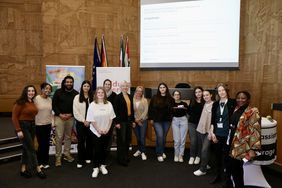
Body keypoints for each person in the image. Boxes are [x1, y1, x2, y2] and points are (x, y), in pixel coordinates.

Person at [226, 91, 261, 188]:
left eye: (243, 98)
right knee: (231, 167)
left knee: (237, 170)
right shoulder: (236, 109)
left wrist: (253, 150)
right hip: (231, 143)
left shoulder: (252, 111)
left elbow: (256, 131)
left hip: (242, 146)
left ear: (248, 100)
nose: (240, 100)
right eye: (238, 98)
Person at [12, 85, 46, 179]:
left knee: (26, 148)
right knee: (31, 149)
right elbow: (14, 117)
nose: (31, 92)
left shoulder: (32, 102)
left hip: (32, 125)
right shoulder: (20, 102)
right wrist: (18, 130)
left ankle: (23, 169)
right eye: (29, 91)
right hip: (23, 126)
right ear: (25, 92)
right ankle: (38, 169)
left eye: (33, 91)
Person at [209, 83, 236, 184]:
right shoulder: (215, 104)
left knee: (227, 157)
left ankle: (227, 178)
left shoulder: (232, 102)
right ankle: (218, 176)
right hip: (217, 134)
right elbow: (213, 120)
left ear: (226, 91)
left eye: (223, 90)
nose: (221, 92)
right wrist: (212, 133)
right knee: (217, 157)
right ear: (217, 93)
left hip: (228, 135)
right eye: (219, 91)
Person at [86, 87, 116, 178]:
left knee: (104, 149)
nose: (100, 94)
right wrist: (98, 130)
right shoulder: (92, 104)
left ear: (104, 94)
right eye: (98, 92)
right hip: (95, 131)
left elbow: (111, 118)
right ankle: (95, 167)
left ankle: (102, 165)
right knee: (97, 149)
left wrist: (107, 128)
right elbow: (91, 119)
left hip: (106, 130)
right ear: (96, 94)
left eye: (102, 92)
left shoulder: (109, 104)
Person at [52, 75, 79, 166]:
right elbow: (54, 105)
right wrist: (60, 114)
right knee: (59, 137)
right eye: (67, 82)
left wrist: (71, 114)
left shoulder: (76, 93)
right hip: (59, 118)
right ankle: (58, 157)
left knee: (68, 137)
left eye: (71, 82)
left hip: (70, 118)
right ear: (64, 82)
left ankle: (67, 154)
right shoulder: (58, 92)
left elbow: (77, 107)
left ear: (73, 83)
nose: (69, 83)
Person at [148, 82, 174, 162]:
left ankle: (161, 151)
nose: (162, 89)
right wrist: (151, 119)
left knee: (163, 137)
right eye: (160, 87)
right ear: (159, 89)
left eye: (164, 87)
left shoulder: (170, 98)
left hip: (167, 121)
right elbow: (150, 109)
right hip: (157, 120)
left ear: (166, 88)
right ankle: (159, 154)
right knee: (160, 136)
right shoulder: (154, 97)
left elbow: (172, 110)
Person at [114, 81, 135, 166]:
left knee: (127, 139)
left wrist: (133, 121)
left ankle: (126, 156)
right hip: (121, 122)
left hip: (129, 120)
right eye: (123, 86)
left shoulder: (130, 96)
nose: (125, 87)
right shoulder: (117, 97)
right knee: (121, 140)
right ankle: (120, 159)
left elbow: (132, 110)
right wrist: (117, 122)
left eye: (126, 86)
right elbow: (115, 111)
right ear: (120, 87)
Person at [73, 80, 93, 168]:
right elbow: (75, 111)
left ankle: (88, 157)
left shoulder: (92, 97)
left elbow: (94, 110)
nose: (86, 88)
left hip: (91, 123)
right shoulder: (77, 97)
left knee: (89, 141)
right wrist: (83, 120)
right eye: (84, 86)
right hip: (81, 123)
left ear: (90, 87)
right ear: (82, 87)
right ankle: (80, 160)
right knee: (81, 142)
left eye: (88, 86)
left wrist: (89, 121)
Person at [193, 90, 214, 176]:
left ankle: (203, 169)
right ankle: (207, 164)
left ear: (211, 95)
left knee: (204, 149)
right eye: (204, 95)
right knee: (205, 149)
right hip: (201, 130)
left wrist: (211, 131)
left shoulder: (214, 105)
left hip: (209, 131)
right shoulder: (204, 104)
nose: (205, 97)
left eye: (207, 95)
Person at [34, 82, 53, 170]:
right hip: (39, 125)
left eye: (49, 89)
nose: (48, 90)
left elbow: (50, 113)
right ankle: (39, 162)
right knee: (41, 144)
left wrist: (52, 123)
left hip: (48, 125)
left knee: (46, 144)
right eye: (46, 88)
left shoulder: (50, 99)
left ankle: (45, 162)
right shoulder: (36, 98)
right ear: (42, 89)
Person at [187, 86, 204, 165]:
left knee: (200, 141)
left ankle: (198, 156)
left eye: (199, 92)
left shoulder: (205, 101)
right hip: (192, 123)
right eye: (196, 92)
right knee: (193, 141)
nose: (198, 94)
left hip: (201, 124)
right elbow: (189, 112)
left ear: (202, 92)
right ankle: (192, 156)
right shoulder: (192, 100)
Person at [171, 90, 188, 162]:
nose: (177, 96)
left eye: (178, 94)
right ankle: (176, 154)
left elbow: (188, 112)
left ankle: (181, 155)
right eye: (175, 94)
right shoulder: (171, 103)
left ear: (180, 95)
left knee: (183, 139)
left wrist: (183, 108)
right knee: (177, 140)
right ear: (173, 96)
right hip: (175, 121)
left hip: (183, 120)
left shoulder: (184, 103)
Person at [132, 86, 149, 160]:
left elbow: (146, 111)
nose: (139, 92)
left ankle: (143, 152)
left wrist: (140, 119)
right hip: (135, 121)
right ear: (135, 91)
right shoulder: (132, 99)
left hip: (143, 121)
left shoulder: (144, 100)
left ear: (142, 92)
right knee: (138, 137)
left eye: (141, 91)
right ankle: (139, 150)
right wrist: (136, 120)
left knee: (142, 137)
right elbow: (131, 111)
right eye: (138, 91)